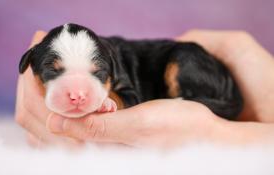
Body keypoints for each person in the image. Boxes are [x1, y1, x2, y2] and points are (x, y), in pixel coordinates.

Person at [15, 30, 274, 147]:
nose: (77, 92)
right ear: (30, 64)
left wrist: (113, 100)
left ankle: (196, 98)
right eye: (54, 72)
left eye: (96, 75)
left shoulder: (119, 64)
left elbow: (131, 96)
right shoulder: (107, 58)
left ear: (111, 67)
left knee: (184, 59)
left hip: (190, 66)